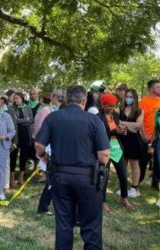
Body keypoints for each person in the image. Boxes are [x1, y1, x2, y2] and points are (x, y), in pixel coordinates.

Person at [35, 85, 110, 250]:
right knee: (91, 226)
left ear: (67, 100)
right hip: (88, 179)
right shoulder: (94, 120)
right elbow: (104, 155)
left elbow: (39, 145)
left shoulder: (53, 118)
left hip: (60, 177)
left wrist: (45, 159)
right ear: (83, 101)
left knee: (63, 224)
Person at [97, 93, 135, 214]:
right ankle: (102, 202)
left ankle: (124, 198)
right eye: (108, 106)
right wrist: (114, 131)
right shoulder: (98, 117)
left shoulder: (116, 115)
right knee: (104, 177)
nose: (111, 108)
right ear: (102, 105)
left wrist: (121, 130)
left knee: (123, 176)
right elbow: (100, 135)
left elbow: (118, 131)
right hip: (105, 150)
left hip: (117, 149)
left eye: (112, 106)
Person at [119, 89, 144, 197]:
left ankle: (134, 188)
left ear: (135, 98)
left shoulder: (139, 111)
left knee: (134, 164)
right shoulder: (119, 109)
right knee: (123, 163)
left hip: (134, 140)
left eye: (131, 96)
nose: (129, 98)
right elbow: (115, 122)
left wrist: (123, 123)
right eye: (127, 96)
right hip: (121, 139)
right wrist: (131, 125)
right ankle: (124, 187)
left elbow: (138, 126)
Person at [138, 79, 160, 187]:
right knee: (143, 160)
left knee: (157, 161)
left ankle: (156, 182)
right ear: (151, 89)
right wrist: (144, 135)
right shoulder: (143, 102)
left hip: (158, 137)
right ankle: (137, 181)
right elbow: (140, 120)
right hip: (146, 137)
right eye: (158, 87)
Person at [10, 92, 33, 185]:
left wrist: (22, 121)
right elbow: (14, 121)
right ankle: (11, 178)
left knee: (24, 155)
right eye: (14, 98)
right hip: (16, 134)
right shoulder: (12, 109)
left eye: (17, 98)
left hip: (25, 135)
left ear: (22, 99)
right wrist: (25, 120)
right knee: (13, 155)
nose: (15, 100)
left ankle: (21, 176)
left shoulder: (27, 107)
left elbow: (31, 120)